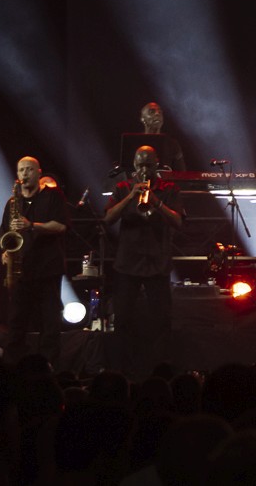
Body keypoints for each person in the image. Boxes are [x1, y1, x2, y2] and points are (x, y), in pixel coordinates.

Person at [104, 145, 184, 377]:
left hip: (157, 262)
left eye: (149, 165)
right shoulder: (122, 187)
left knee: (161, 320)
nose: (144, 170)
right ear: (134, 165)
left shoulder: (170, 188)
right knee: (123, 319)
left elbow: (178, 222)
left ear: (157, 164)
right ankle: (122, 371)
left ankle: (161, 370)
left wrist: (157, 202)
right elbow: (108, 219)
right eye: (140, 165)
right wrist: (131, 196)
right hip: (127, 262)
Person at [0, 155, 71, 362]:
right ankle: (13, 365)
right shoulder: (13, 202)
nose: (25, 174)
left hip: (47, 268)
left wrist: (31, 225)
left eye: (29, 169)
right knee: (16, 322)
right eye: (21, 170)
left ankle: (49, 366)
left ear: (39, 173)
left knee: (50, 323)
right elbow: (5, 234)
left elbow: (61, 226)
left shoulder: (53, 196)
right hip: (21, 269)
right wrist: (5, 252)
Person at [121, 101, 186, 173]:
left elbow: (181, 173)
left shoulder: (172, 144)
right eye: (152, 112)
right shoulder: (132, 143)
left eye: (160, 112)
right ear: (142, 119)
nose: (157, 114)